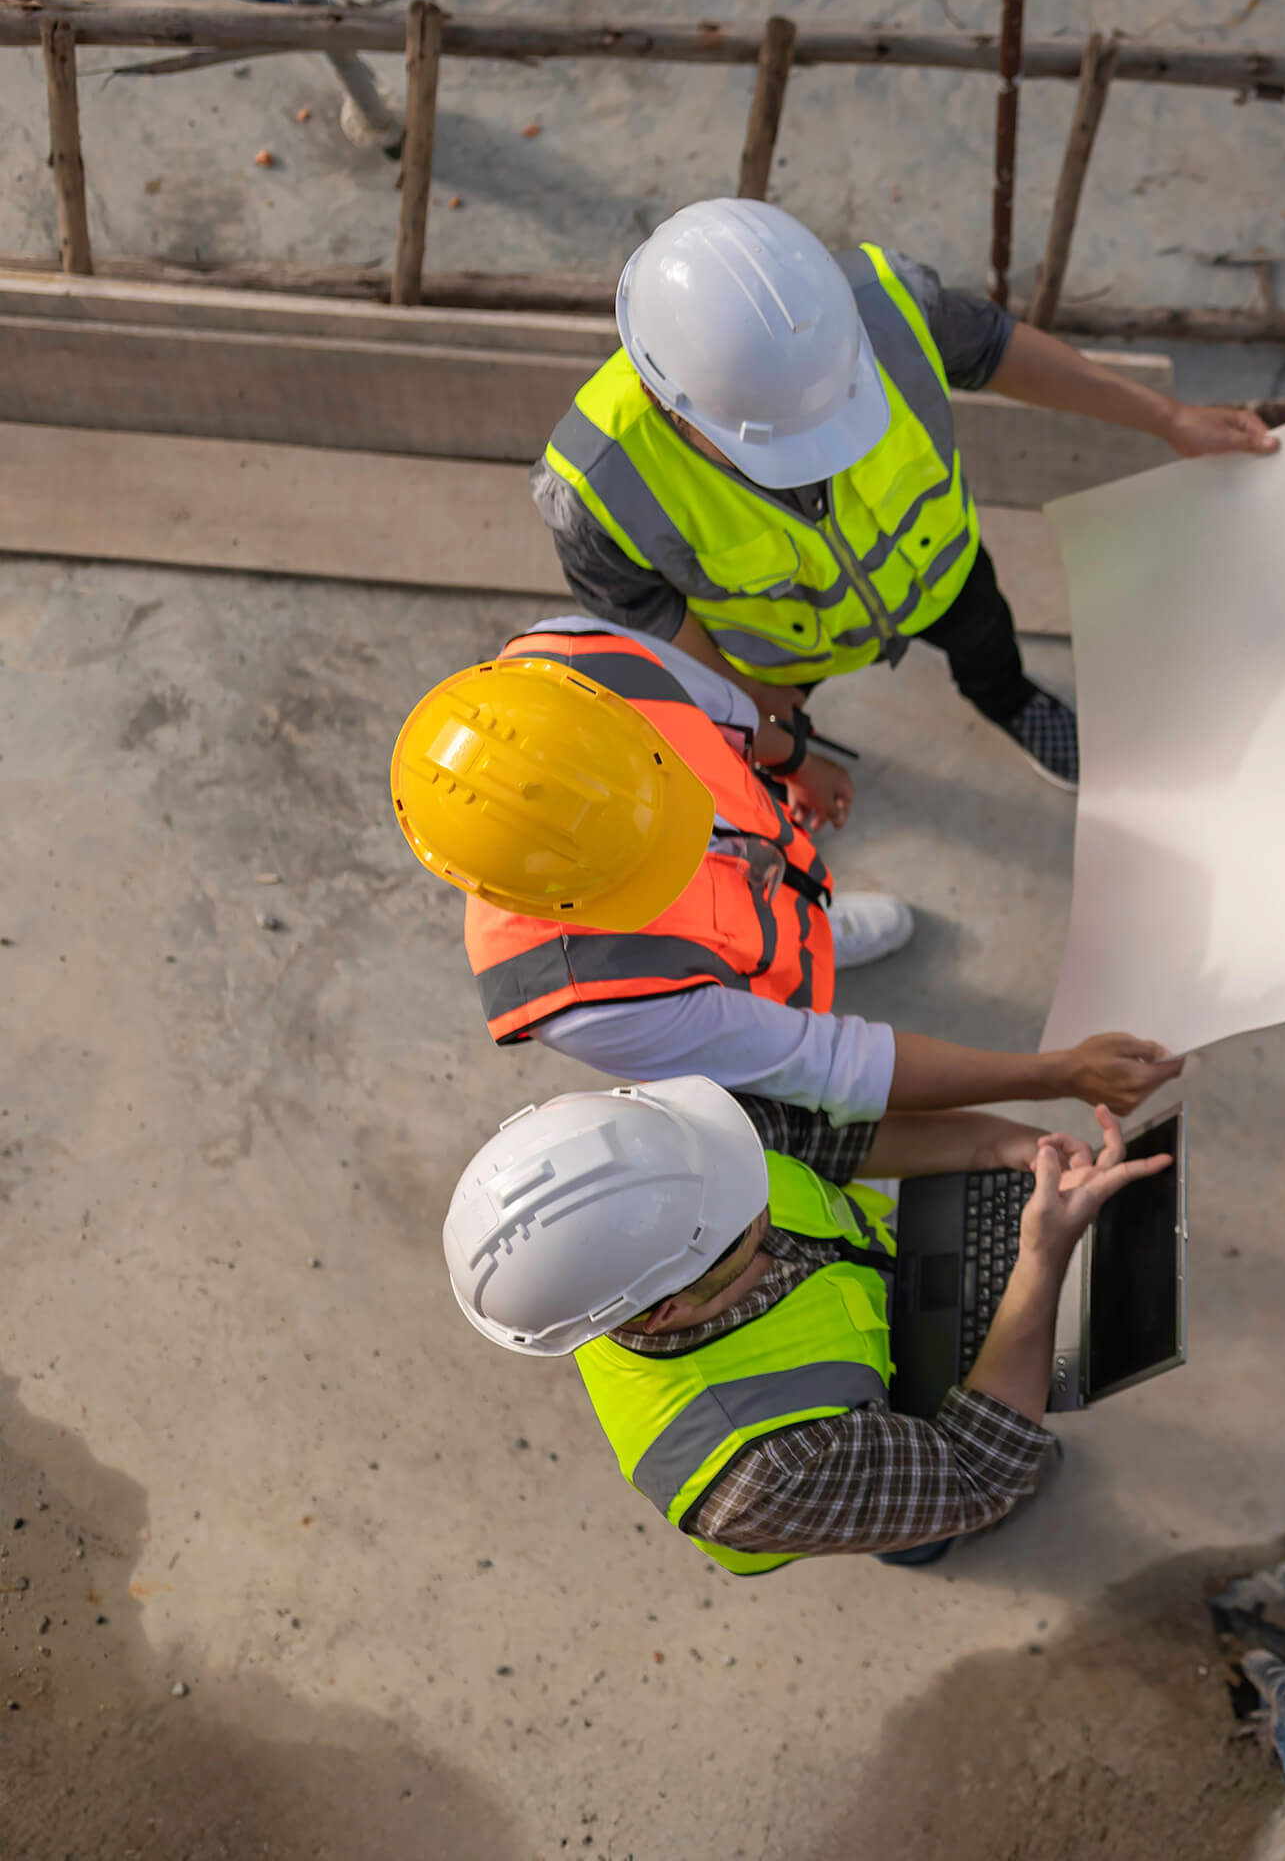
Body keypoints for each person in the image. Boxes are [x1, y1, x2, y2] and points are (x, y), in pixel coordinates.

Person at [530, 197, 1277, 792]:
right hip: (775, 652)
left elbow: (996, 350)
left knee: (987, 640)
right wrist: (754, 715)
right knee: (763, 743)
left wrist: (1167, 418)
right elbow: (656, 622)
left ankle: (1008, 699)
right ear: (669, 403)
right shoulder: (596, 485)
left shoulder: (884, 309)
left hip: (939, 575)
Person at [392, 620, 1184, 1127]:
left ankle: (818, 933)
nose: (695, 840)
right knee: (779, 1032)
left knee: (777, 910)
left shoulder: (575, 659)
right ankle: (799, 949)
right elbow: (832, 1064)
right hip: (736, 975)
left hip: (775, 890)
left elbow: (725, 711)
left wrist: (797, 760)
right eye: (649, 867)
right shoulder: (589, 999)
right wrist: (1056, 1075)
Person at [442, 1076, 1170, 1568]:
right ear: (669, 1310)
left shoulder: (680, 1150)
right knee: (936, 1519)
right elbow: (976, 1474)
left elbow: (831, 1145)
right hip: (854, 1482)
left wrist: (1005, 1147)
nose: (749, 1173)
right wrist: (1041, 1258)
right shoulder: (760, 1476)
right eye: (738, 1220)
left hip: (891, 1317)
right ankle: (916, 1550)